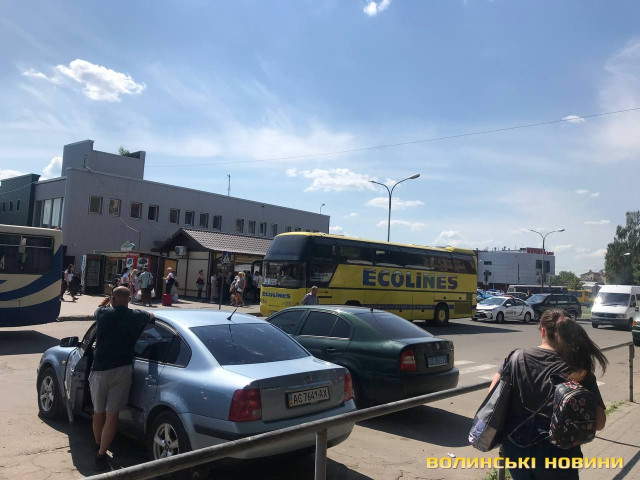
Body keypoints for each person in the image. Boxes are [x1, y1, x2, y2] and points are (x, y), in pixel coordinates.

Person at [488, 309, 608, 480]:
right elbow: (599, 422)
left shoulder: (515, 357)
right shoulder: (577, 368)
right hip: (559, 452)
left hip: (516, 446)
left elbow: (493, 397)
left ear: (543, 331)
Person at [89, 286, 155, 471]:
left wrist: (109, 301)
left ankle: (97, 444)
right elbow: (150, 315)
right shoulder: (135, 316)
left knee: (98, 412)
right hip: (122, 370)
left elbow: (98, 309)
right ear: (129, 299)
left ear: (113, 298)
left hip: (100, 370)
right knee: (112, 415)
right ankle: (101, 454)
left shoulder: (103, 313)